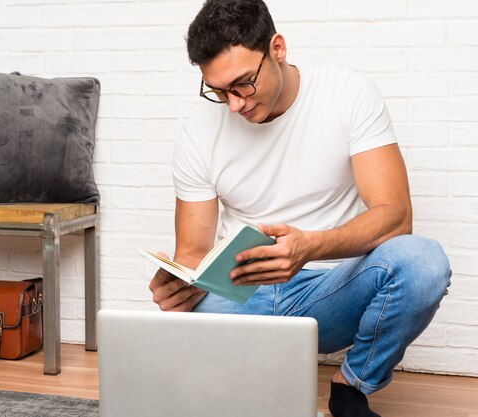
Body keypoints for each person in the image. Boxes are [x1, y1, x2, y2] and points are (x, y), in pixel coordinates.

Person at [148, 1, 452, 416]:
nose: (234, 105)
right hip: (242, 295)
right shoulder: (199, 131)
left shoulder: (347, 93)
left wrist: (308, 247)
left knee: (423, 262)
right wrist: (181, 284)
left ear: (277, 48)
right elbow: (193, 250)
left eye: (242, 84)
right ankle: (238, 384)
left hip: (329, 291)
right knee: (164, 358)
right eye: (219, 91)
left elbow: (396, 215)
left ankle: (350, 387)